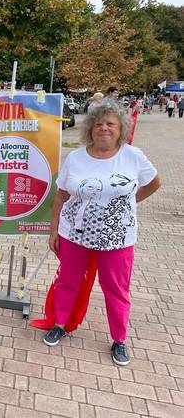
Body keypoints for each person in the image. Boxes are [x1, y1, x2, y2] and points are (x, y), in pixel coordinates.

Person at [44, 99, 160, 366]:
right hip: (74, 234)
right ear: (90, 129)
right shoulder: (76, 157)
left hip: (117, 237)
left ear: (121, 128)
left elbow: (154, 182)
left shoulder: (133, 156)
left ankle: (119, 339)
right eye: (98, 124)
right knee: (68, 281)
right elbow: (60, 197)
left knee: (116, 290)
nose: (104, 128)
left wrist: (129, 203)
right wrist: (53, 232)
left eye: (110, 124)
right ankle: (60, 324)